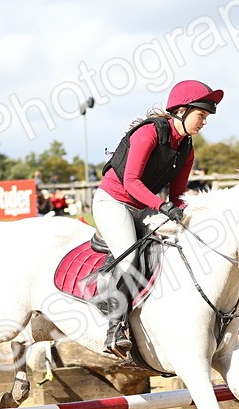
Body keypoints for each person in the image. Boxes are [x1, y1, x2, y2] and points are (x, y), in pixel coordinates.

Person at [93, 78, 222, 356]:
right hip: (114, 201)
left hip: (145, 205)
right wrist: (162, 207)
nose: (204, 122)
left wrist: (185, 214)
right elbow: (131, 181)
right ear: (182, 111)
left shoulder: (186, 148)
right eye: (201, 115)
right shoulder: (149, 132)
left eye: (206, 117)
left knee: (186, 241)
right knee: (130, 257)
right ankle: (115, 327)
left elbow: (177, 195)